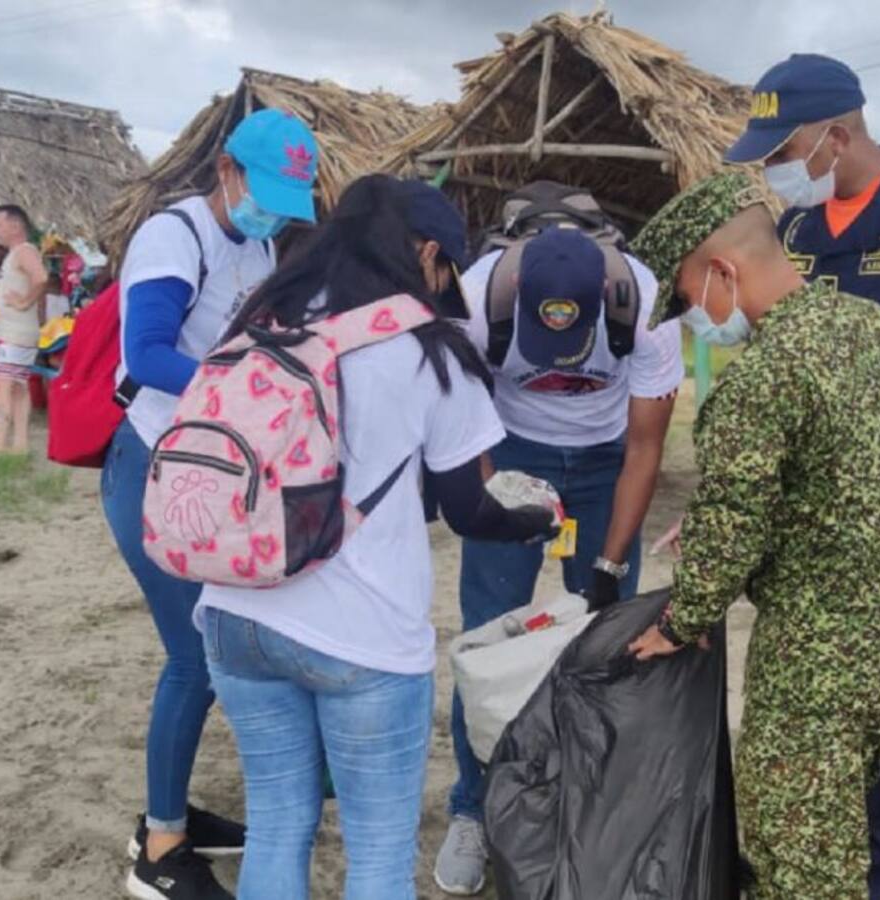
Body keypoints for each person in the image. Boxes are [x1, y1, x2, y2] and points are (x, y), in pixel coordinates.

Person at [194, 174, 558, 900]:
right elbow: (468, 511)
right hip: (361, 638)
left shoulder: (260, 318)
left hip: (235, 610)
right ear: (427, 255)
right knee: (380, 855)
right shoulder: (427, 350)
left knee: (277, 824)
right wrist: (534, 517)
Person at [625, 171, 880, 900]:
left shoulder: (762, 377)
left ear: (722, 273)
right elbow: (845, 481)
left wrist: (681, 620)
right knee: (838, 834)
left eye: (686, 297)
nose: (692, 317)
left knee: (800, 872)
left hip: (813, 673)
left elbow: (734, 522)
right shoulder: (877, 328)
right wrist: (715, 526)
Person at [723, 54, 880, 899]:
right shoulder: (796, 236)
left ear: (838, 135)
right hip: (812, 560)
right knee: (810, 760)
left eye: (783, 148)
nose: (774, 170)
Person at [107, 108, 319, 900]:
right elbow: (149, 351)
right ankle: (159, 847)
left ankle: (176, 813)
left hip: (211, 468)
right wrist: (252, 386)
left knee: (218, 647)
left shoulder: (259, 242)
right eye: (261, 191)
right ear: (228, 171)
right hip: (153, 469)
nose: (269, 211)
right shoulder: (176, 236)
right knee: (193, 655)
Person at [435, 226, 683, 894]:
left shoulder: (647, 305)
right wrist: (499, 497)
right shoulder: (479, 297)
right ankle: (474, 809)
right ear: (518, 296)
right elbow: (464, 414)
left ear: (605, 299)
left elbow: (644, 449)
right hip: (511, 445)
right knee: (487, 635)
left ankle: (591, 804)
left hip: (608, 460)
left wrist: (608, 566)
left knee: (610, 639)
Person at [0, 204, 48, 453]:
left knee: (2, 386)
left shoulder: (24, 251)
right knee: (18, 386)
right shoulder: (16, 254)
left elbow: (41, 278)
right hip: (13, 332)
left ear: (15, 226)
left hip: (14, 334)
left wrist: (24, 302)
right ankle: (19, 444)